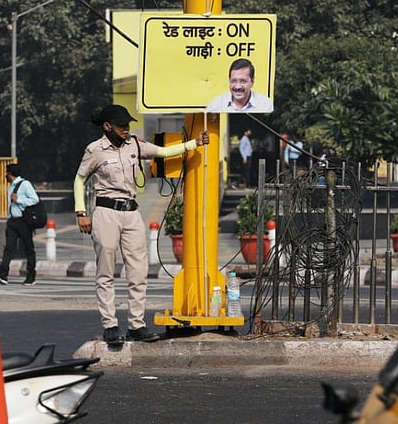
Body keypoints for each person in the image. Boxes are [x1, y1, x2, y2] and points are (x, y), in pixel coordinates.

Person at [74, 104, 210, 345]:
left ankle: (137, 325)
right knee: (105, 272)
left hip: (131, 212)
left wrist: (194, 143)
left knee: (138, 271)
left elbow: (163, 152)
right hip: (106, 211)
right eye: (121, 126)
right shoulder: (95, 149)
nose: (126, 129)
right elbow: (80, 178)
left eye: (128, 125)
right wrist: (81, 212)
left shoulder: (135, 145)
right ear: (107, 127)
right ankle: (110, 325)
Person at [0, 163, 39, 286]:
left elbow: (35, 199)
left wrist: (19, 200)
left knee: (28, 249)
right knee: (8, 248)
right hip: (12, 221)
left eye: (6, 173)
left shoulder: (25, 184)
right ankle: (3, 274)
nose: (5, 175)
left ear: (10, 173)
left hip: (23, 221)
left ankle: (31, 276)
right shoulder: (11, 186)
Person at [206, 58, 274, 113]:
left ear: (252, 81)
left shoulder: (266, 106)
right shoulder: (217, 105)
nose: (238, 86)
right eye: (234, 81)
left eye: (243, 81)